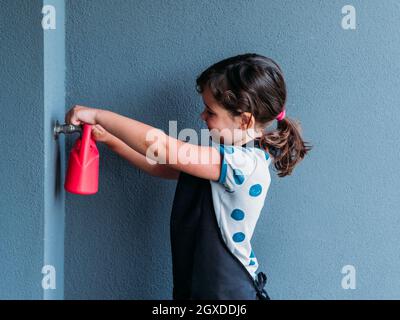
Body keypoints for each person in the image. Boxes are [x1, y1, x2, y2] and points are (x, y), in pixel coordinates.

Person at [65, 53, 312, 300]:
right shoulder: (220, 158)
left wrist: (99, 115)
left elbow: (163, 148)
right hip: (200, 288)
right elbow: (159, 164)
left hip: (227, 293)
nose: (202, 116)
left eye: (210, 111)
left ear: (245, 120)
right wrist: (110, 139)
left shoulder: (243, 164)